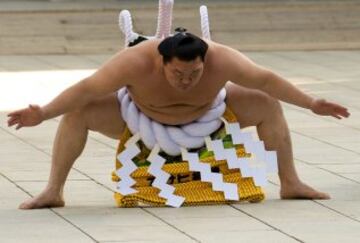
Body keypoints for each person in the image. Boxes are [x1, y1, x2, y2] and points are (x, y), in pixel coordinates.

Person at [7, 31, 350, 209]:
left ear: (205, 60)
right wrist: (43, 113)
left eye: (194, 73)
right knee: (79, 111)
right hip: (140, 120)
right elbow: (86, 88)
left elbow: (266, 79)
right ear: (161, 61)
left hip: (210, 119)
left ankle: (290, 182)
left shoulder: (222, 58)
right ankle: (54, 190)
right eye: (178, 74)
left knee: (266, 102)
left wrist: (311, 102)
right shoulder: (134, 62)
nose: (186, 80)